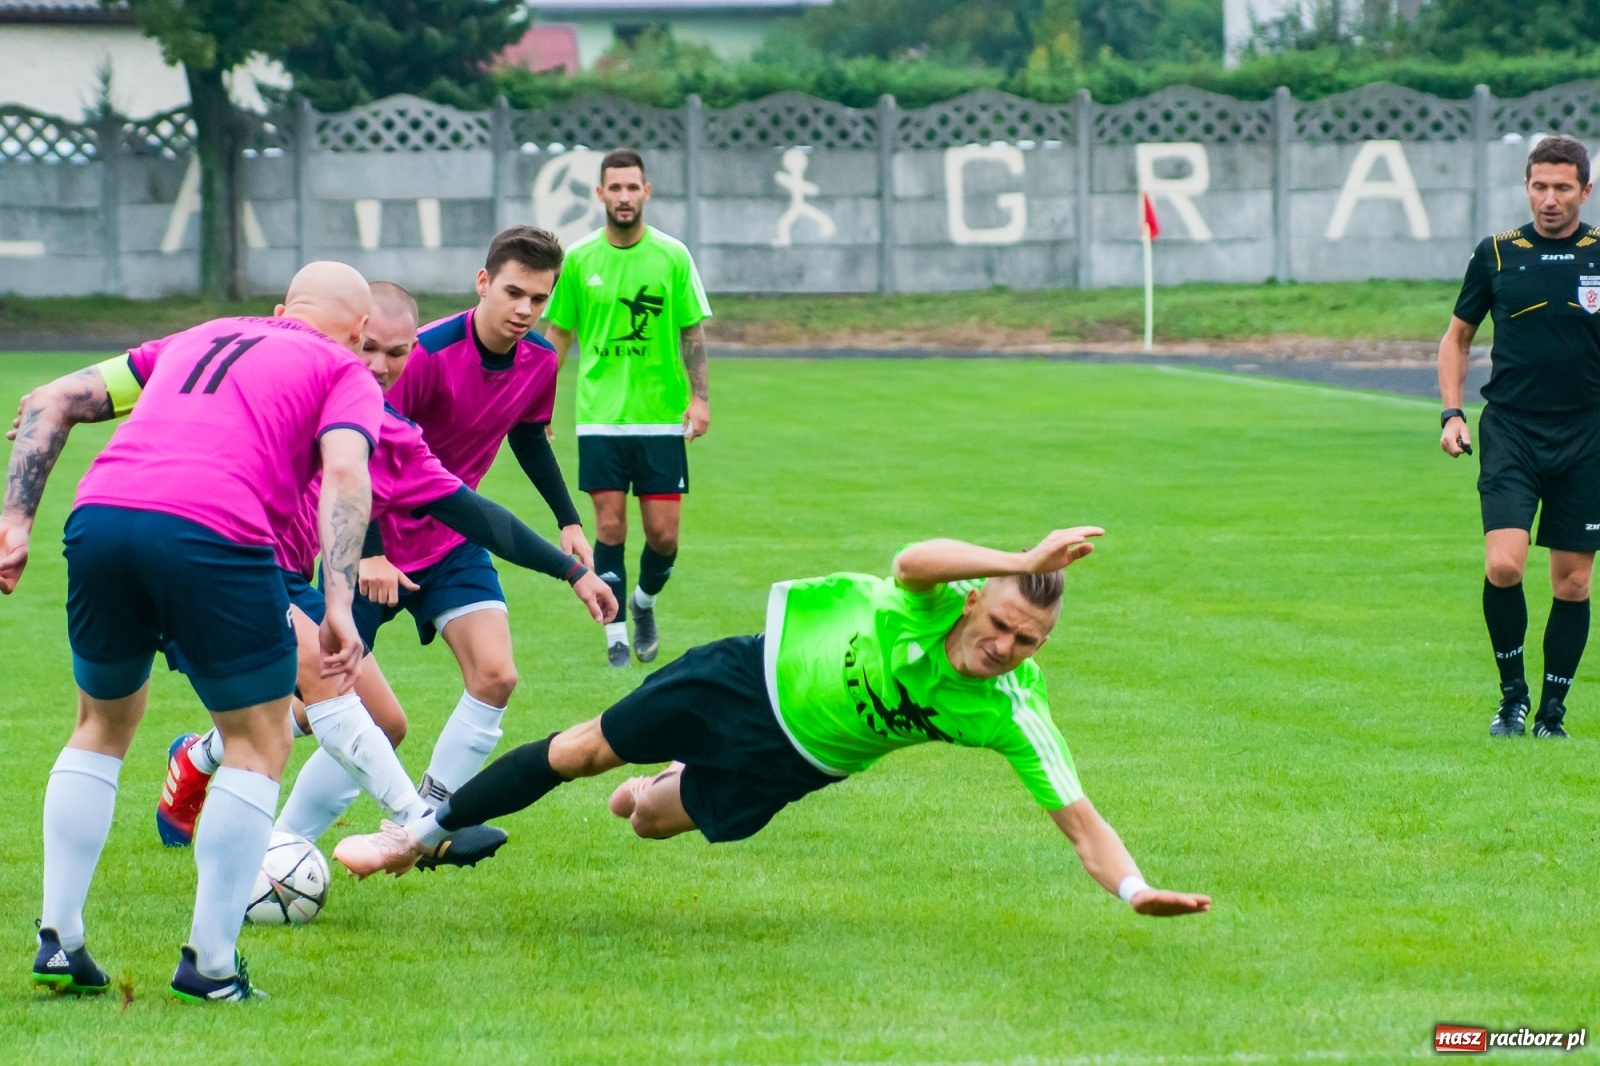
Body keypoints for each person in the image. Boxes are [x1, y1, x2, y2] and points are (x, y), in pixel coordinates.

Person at [333, 528, 1213, 923]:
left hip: (796, 761)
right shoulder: (934, 597)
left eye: (1030, 643)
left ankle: (657, 785)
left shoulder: (1010, 709)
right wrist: (1024, 558)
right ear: (979, 598)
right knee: (582, 749)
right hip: (743, 680)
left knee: (643, 818)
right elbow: (912, 558)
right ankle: (418, 837)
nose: (1007, 648)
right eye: (1003, 626)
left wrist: (1137, 892)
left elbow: (1079, 820)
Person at [3, 262, 383, 1002]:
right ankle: (210, 966)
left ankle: (60, 939)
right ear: (361, 330)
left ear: (280, 309)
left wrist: (15, 521)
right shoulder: (345, 369)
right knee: (260, 739)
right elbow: (345, 472)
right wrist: (338, 599)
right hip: (213, 530)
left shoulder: (198, 335)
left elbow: (53, 399)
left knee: (101, 723)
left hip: (103, 515)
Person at [155, 284, 616, 866]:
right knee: (274, 731)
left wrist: (571, 566)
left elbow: (469, 509)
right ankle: (419, 828)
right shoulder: (301, 376)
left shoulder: (384, 419)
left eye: (395, 354)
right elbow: (351, 479)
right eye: (368, 348)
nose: (379, 366)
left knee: (383, 714)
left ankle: (280, 849)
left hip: (254, 553)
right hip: (234, 552)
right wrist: (369, 553)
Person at [357, 230, 593, 810]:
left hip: (455, 539)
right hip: (374, 539)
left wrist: (568, 520)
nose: (525, 310)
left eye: (539, 299)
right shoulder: (420, 355)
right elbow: (357, 455)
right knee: (320, 704)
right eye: (514, 292)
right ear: (483, 283)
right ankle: (204, 755)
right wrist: (371, 550)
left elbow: (529, 437)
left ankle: (431, 815)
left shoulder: (540, 360)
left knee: (496, 676)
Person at [1440, 134, 1600, 739]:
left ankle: (1552, 715)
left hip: (1588, 434)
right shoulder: (1498, 254)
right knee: (1504, 565)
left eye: (1563, 187)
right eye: (1540, 186)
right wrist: (1452, 414)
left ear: (1585, 190)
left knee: (1574, 581)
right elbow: (1456, 338)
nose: (1550, 199)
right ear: (1526, 187)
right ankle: (1512, 700)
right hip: (1512, 430)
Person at [543, 147, 714, 667]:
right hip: (600, 419)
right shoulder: (578, 260)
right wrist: (540, 403)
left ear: (646, 192)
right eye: (613, 188)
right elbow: (558, 334)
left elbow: (692, 330)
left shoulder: (672, 256)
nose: (623, 196)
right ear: (600, 194)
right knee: (610, 529)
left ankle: (643, 603)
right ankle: (615, 630)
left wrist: (700, 396)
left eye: (631, 187)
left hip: (661, 418)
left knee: (664, 537)